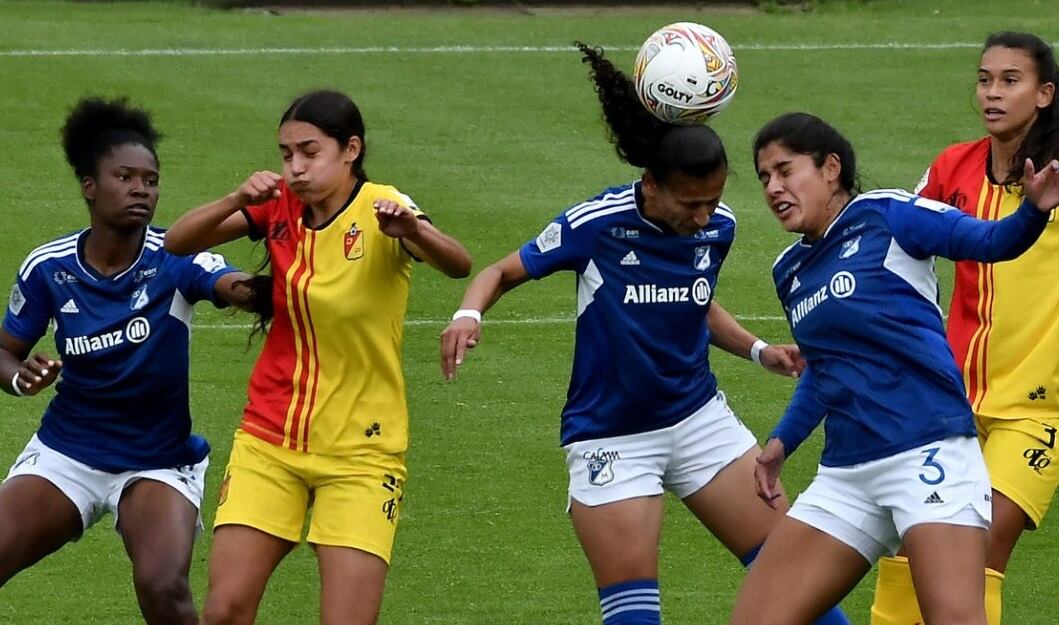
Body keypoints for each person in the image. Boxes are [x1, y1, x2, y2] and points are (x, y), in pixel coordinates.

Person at [440, 44, 850, 625]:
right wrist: (468, 315)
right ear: (651, 185)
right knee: (634, 615)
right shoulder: (596, 225)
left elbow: (694, 303)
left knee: (800, 588)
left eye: (713, 200)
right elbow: (500, 272)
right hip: (613, 436)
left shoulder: (718, 228)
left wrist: (758, 350)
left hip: (698, 420)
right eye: (690, 203)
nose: (704, 216)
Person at [730, 112, 1059, 625]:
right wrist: (781, 444)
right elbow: (826, 369)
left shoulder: (888, 215)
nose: (774, 187)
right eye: (764, 178)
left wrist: (1033, 212)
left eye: (786, 170)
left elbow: (989, 243)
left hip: (928, 453)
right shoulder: (789, 270)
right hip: (847, 473)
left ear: (831, 167)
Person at [163, 89, 472, 625]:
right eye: (286, 155)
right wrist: (237, 198)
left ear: (350, 149)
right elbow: (177, 243)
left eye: (310, 152)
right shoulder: (278, 205)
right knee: (225, 610)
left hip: (361, 451)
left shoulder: (383, 206)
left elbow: (458, 264)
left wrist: (413, 230)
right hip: (269, 438)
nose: (296, 167)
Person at [0, 97, 252, 624]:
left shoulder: (175, 254)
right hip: (67, 452)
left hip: (158, 460)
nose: (142, 189)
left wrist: (265, 285)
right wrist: (22, 379)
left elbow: (228, 283)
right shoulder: (49, 267)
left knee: (162, 586)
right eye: (125, 176)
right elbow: (5, 352)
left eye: (151, 179)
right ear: (89, 185)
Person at [870, 32, 1059, 625]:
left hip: (1038, 409)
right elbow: (895, 243)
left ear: (1045, 93)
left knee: (977, 551)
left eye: (1010, 80)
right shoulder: (953, 167)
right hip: (948, 400)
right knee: (915, 551)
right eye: (984, 79)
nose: (992, 93)